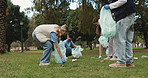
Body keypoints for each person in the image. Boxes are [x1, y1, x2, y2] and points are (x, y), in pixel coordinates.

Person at [104, 0, 136, 67]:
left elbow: (123, 0)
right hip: (130, 15)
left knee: (120, 39)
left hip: (123, 16)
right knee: (128, 41)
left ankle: (121, 61)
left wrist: (110, 6)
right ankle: (129, 61)